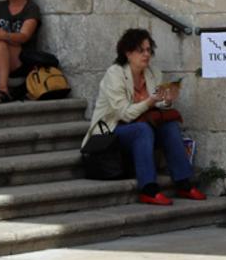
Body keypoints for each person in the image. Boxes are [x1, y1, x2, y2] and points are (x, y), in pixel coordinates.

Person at [84, 28, 205, 205]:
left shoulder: (153, 73)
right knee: (142, 130)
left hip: (141, 126)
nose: (146, 54)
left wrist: (167, 100)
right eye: (141, 50)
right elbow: (124, 114)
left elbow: (156, 102)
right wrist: (150, 101)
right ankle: (148, 188)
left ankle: (183, 183)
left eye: (149, 50)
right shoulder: (115, 74)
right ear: (127, 53)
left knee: (169, 126)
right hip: (112, 130)